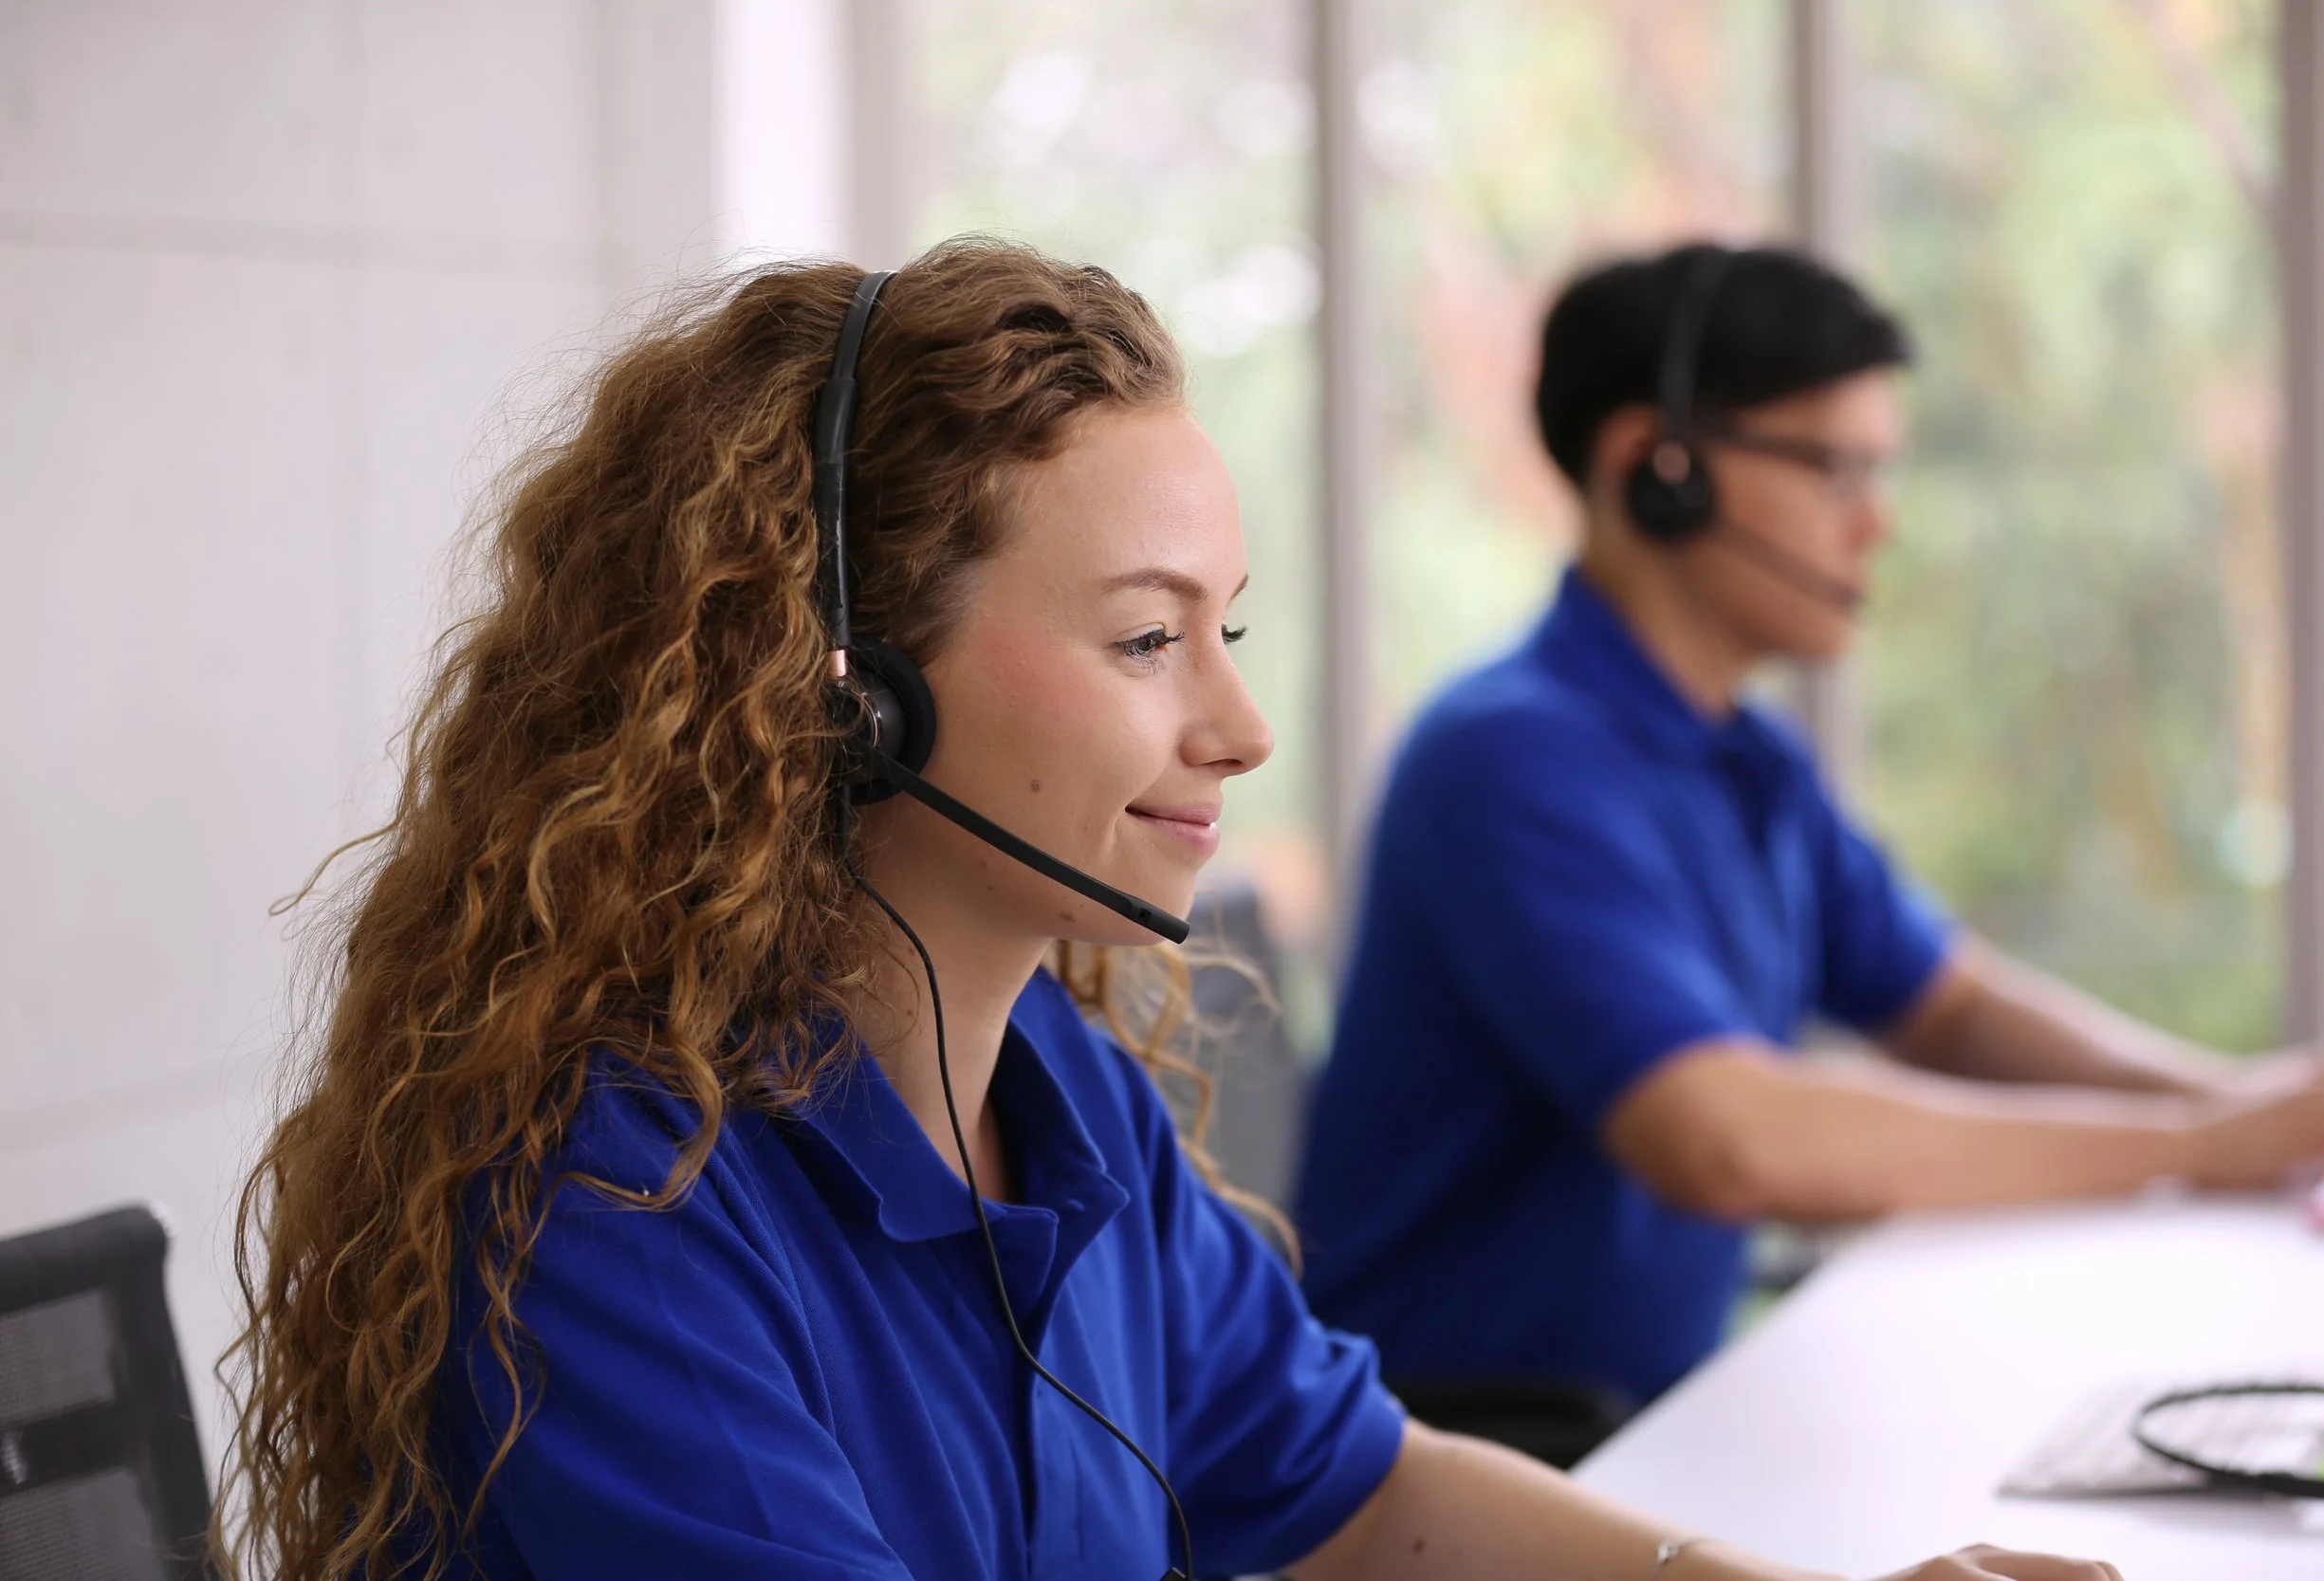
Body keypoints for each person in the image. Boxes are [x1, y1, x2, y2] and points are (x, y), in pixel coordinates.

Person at [214, 240, 2116, 1581]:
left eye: (1226, 627)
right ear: (841, 689)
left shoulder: (1062, 1089)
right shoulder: (606, 1195)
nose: (1240, 722)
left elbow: (1363, 1494)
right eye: (1143, 637)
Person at [1295, 241, 2324, 1451]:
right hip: (1469, 1462)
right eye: (1834, 469)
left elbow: (1949, 1005)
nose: (1879, 523)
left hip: (1655, 1426)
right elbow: (1727, 1139)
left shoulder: (1744, 755)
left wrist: (2249, 1108)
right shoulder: (1506, 758)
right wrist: (2195, 1146)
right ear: (1656, 468)